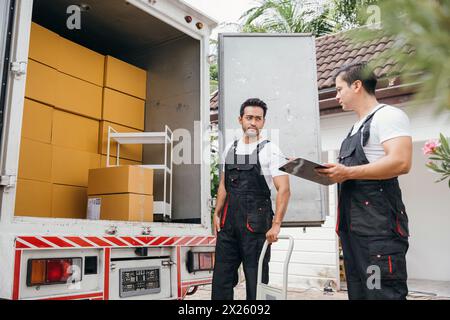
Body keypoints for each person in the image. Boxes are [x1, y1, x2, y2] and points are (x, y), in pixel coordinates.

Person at [316, 62, 412, 300]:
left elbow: (401, 162)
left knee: (381, 295)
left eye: (339, 89)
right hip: (354, 232)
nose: (337, 95)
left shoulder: (388, 116)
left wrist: (347, 173)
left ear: (357, 85)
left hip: (378, 234)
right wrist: (334, 173)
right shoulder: (354, 128)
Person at [211, 98, 291, 300]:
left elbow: (284, 189)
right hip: (228, 225)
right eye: (249, 118)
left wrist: (276, 225)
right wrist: (217, 212)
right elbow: (223, 185)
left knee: (256, 283)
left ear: (263, 122)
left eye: (258, 118)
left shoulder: (271, 150)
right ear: (240, 120)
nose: (253, 122)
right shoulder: (230, 149)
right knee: (221, 279)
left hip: (256, 226)